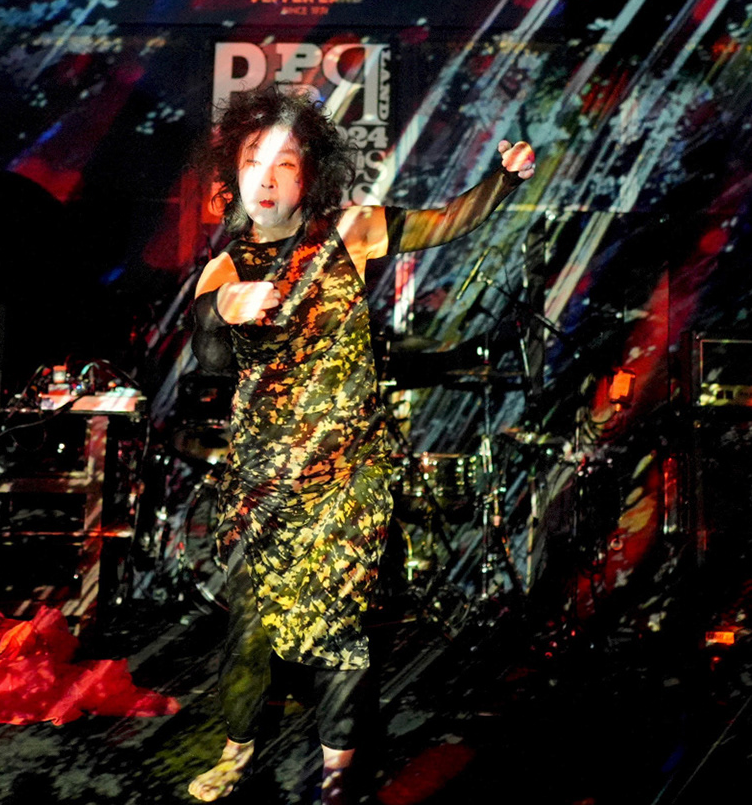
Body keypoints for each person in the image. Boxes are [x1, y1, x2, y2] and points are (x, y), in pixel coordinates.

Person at [187, 85, 536, 804]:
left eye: (286, 162)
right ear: (234, 177)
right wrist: (227, 306)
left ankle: (338, 771)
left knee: (340, 627)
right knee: (251, 627)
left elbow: (449, 220)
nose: (268, 176)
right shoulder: (224, 268)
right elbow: (211, 360)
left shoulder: (351, 231)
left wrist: (503, 179)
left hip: (348, 472)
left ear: (308, 175)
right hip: (264, 480)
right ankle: (237, 750)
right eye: (254, 161)